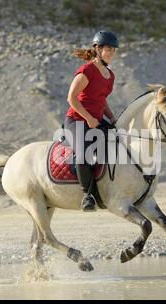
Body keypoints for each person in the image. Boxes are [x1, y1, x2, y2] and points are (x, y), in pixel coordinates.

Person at [64, 30, 118, 211]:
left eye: (114, 50)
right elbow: (71, 98)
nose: (112, 53)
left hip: (95, 120)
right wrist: (89, 118)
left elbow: (101, 100)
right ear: (98, 49)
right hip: (76, 120)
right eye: (109, 49)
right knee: (84, 153)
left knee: (118, 143)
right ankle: (87, 195)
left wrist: (111, 118)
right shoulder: (86, 70)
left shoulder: (110, 76)